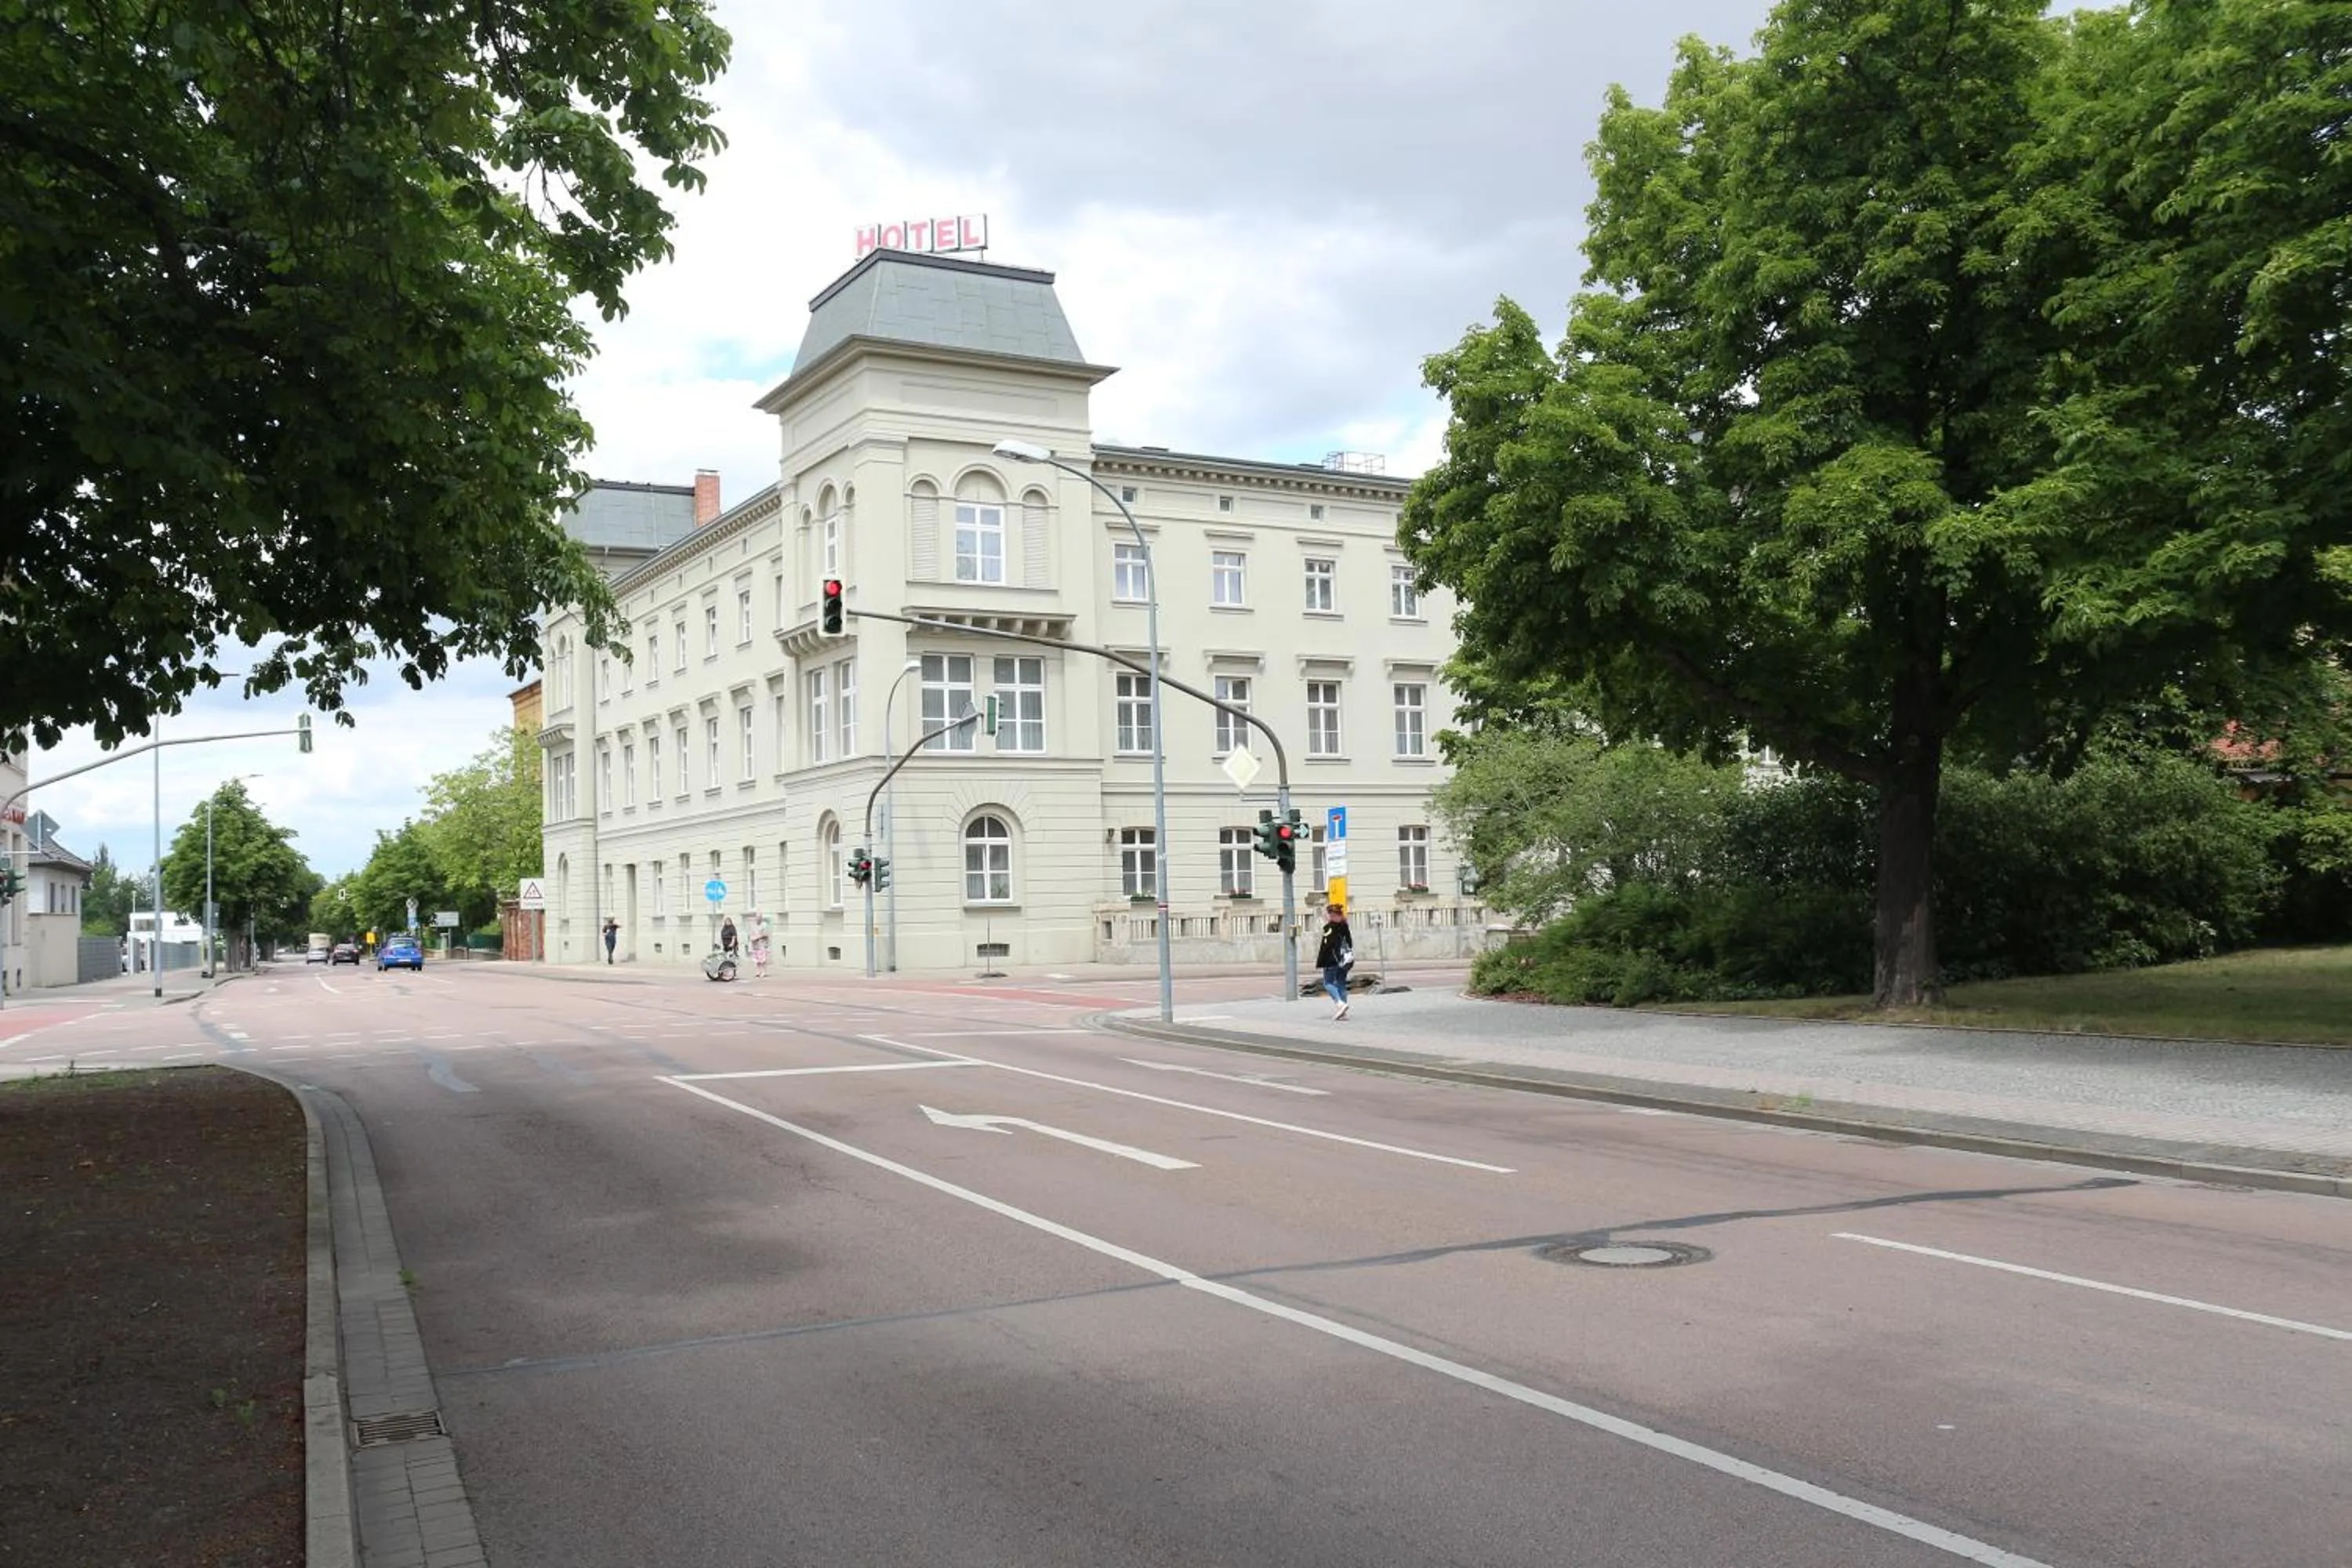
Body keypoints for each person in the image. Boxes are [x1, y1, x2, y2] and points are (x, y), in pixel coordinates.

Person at [1314, 902, 1355, 1020]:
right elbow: (1350, 943)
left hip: (1331, 960)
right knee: (1341, 983)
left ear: (1332, 915)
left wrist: (1322, 960)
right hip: (1345, 961)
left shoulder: (1330, 928)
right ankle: (1343, 1013)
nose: (1328, 916)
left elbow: (1326, 946)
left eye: (1329, 914)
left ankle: (1340, 1004)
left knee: (1328, 983)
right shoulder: (1344, 926)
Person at [747, 913, 771, 978]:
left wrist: (759, 937)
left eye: (759, 917)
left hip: (762, 944)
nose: (758, 919)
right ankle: (758, 971)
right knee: (757, 959)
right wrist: (752, 938)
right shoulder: (753, 926)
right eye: (757, 917)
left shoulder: (764, 925)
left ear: (761, 918)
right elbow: (751, 934)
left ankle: (764, 972)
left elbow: (766, 935)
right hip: (755, 945)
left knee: (763, 959)